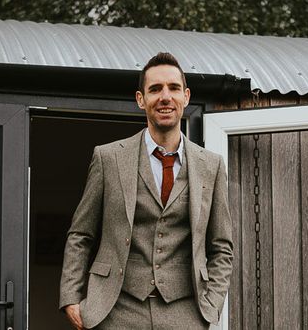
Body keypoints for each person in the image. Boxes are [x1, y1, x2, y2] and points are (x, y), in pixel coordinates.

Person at [59, 52, 233, 329]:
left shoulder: (211, 165)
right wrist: (71, 295)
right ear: (141, 99)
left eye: (173, 88)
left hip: (185, 312)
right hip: (115, 310)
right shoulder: (108, 158)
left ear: (186, 97)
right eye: (155, 89)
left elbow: (221, 248)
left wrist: (210, 307)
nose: (165, 97)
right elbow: (81, 234)